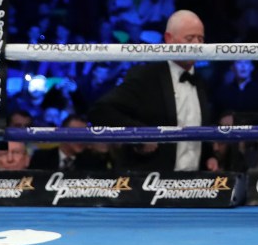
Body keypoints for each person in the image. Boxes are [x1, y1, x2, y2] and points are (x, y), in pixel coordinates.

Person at [89, 9, 215, 172]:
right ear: (169, 39)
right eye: (190, 39)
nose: (197, 45)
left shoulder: (202, 81)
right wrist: (140, 135)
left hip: (194, 185)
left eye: (201, 39)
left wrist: (209, 156)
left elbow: (200, 129)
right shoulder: (146, 77)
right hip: (150, 183)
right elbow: (100, 111)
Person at [29, 113, 110, 171]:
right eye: (76, 133)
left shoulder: (94, 162)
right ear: (63, 133)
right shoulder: (40, 158)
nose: (81, 139)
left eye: (84, 134)